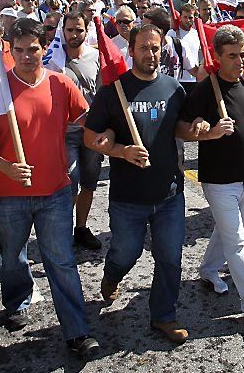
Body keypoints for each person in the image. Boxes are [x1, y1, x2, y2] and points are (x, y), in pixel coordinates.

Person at [0, 19, 99, 358]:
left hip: (55, 192)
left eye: (34, 49)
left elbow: (89, 121)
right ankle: (17, 300)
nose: (26, 56)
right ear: (10, 50)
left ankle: (76, 330)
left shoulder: (61, 83)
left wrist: (114, 135)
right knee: (13, 257)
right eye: (19, 50)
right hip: (8, 196)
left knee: (62, 262)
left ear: (45, 48)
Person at [84, 24, 195, 343]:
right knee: (126, 252)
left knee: (170, 258)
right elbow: (92, 137)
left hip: (170, 194)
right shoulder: (113, 91)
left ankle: (164, 316)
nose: (151, 54)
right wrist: (119, 150)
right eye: (144, 48)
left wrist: (200, 127)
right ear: (130, 50)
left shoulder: (175, 88)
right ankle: (112, 274)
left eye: (156, 48)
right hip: (128, 197)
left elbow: (181, 129)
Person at [179, 25, 244, 329]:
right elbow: (184, 126)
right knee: (238, 243)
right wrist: (206, 129)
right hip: (218, 180)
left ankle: (208, 269)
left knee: (228, 230)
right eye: (232, 56)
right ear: (217, 57)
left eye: (242, 54)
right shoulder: (206, 88)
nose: (239, 60)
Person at [58, 11, 105, 250]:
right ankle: (62, 230)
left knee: (89, 181)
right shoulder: (54, 59)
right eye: (69, 30)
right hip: (66, 133)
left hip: (92, 130)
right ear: (63, 31)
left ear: (86, 32)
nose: (74, 35)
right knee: (70, 180)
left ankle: (81, 228)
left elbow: (104, 91)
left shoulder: (96, 57)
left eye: (79, 30)